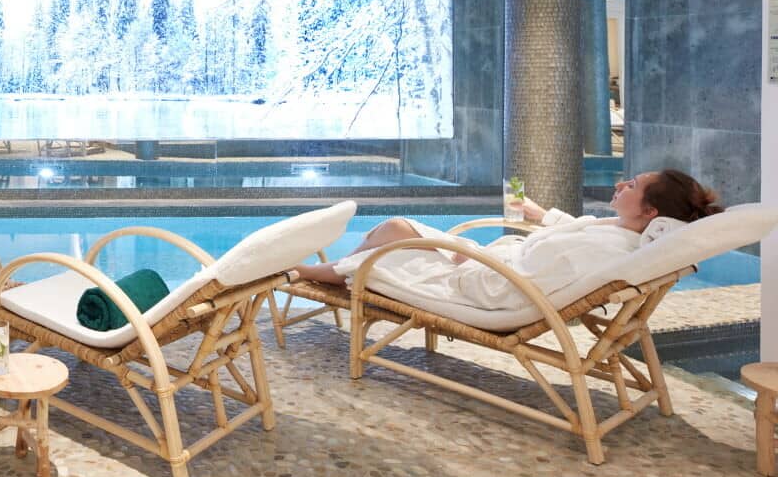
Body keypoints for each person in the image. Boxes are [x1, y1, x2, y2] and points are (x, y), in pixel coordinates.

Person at [296, 170, 722, 310]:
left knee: (394, 233)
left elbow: (514, 287)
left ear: (650, 212)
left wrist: (467, 263)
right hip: (493, 266)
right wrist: (539, 216)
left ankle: (314, 273)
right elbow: (576, 233)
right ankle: (328, 271)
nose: (621, 183)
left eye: (632, 186)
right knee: (398, 229)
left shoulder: (606, 247)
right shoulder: (622, 238)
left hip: (487, 285)